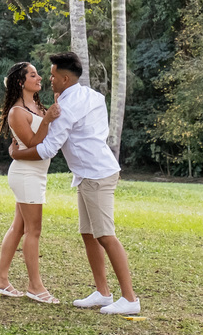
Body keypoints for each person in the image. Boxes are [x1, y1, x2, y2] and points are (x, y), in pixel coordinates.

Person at [10, 51, 141, 315]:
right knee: (88, 233)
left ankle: (130, 299)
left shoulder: (66, 108)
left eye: (53, 75)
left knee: (105, 235)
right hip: (89, 173)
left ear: (65, 78)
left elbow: (47, 149)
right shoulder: (92, 96)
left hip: (96, 175)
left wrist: (16, 154)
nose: (49, 79)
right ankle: (103, 293)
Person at [0, 61, 62, 303]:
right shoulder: (17, 112)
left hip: (35, 173)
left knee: (19, 228)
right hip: (26, 174)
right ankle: (35, 287)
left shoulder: (36, 106)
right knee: (34, 230)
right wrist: (49, 119)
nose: (39, 77)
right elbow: (32, 143)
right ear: (21, 82)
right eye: (33, 75)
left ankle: (0, 280)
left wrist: (51, 111)